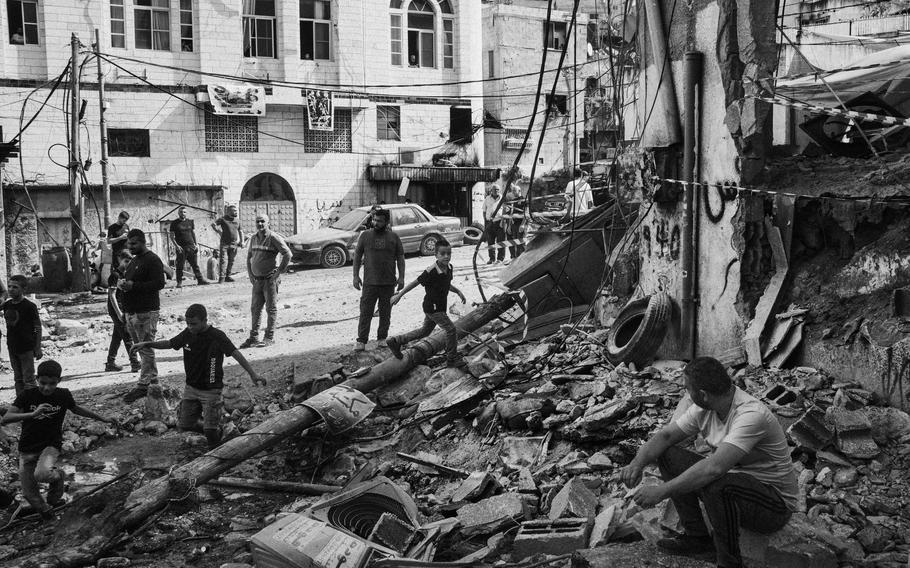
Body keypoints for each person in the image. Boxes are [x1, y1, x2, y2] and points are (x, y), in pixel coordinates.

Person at [619, 357, 797, 568]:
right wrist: (636, 463)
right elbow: (666, 437)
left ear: (702, 394)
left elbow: (714, 468)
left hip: (774, 504)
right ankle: (698, 539)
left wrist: (661, 491)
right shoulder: (706, 407)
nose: (686, 394)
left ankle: (729, 563)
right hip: (737, 484)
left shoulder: (750, 415)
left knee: (718, 484)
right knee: (668, 455)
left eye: (687, 389)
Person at [131, 304, 266, 449]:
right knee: (185, 424)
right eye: (187, 323)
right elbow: (170, 343)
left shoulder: (217, 336)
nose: (190, 327)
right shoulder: (187, 333)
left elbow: (235, 353)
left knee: (210, 431)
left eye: (194, 324)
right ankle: (217, 432)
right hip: (191, 388)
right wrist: (147, 344)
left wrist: (253, 374)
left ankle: (216, 452)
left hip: (211, 390)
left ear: (204, 320)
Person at [1, 360, 115, 519]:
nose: (47, 387)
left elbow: (76, 409)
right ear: (36, 378)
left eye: (52, 383)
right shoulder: (27, 395)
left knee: (41, 474)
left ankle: (58, 476)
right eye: (43, 383)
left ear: (59, 381)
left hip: (50, 445)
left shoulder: (63, 395)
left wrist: (101, 417)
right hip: (27, 448)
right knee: (29, 493)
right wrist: (32, 414)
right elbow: (6, 418)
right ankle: (49, 516)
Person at [386, 239, 466, 367]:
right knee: (451, 330)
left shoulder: (449, 268)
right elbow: (415, 282)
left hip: (438, 306)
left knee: (425, 331)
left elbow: (446, 284)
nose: (446, 256)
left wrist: (457, 291)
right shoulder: (431, 271)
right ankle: (451, 359)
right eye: (442, 253)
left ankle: (397, 341)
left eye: (448, 253)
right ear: (436, 255)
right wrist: (400, 294)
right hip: (433, 307)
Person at [120, 229, 166, 403]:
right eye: (128, 244)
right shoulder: (134, 261)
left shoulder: (152, 260)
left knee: (145, 348)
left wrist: (134, 286)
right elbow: (131, 283)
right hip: (132, 312)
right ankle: (152, 382)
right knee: (142, 349)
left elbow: (159, 283)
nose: (130, 247)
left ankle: (144, 385)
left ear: (142, 242)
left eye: (133, 244)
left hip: (146, 312)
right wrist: (124, 285)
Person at [352, 208, 404, 352]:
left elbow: (400, 257)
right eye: (374, 220)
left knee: (385, 312)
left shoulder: (394, 237)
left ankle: (382, 338)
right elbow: (357, 256)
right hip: (369, 282)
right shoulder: (365, 236)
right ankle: (361, 340)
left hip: (388, 282)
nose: (376, 223)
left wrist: (402, 277)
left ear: (386, 222)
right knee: (365, 312)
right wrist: (355, 276)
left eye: (380, 221)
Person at [240, 214, 291, 348]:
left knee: (271, 308)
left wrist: (279, 271)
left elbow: (288, 254)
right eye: (258, 222)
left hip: (270, 280)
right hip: (257, 281)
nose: (260, 224)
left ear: (268, 223)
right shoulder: (253, 238)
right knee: (255, 309)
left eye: (263, 221)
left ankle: (269, 337)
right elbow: (249, 257)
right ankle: (254, 337)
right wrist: (250, 274)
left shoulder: (273, 237)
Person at [3, 275, 42, 397]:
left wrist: (38, 347)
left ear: (23, 289)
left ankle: (32, 403)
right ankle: (20, 404)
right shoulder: (7, 305)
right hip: (12, 346)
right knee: (18, 378)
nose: (11, 289)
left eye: (15, 287)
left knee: (29, 379)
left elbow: (38, 327)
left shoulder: (29, 306)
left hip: (26, 347)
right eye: (9, 286)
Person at [106, 251, 140, 373]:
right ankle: (135, 363)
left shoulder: (127, 274)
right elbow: (112, 295)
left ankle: (110, 362)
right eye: (126, 261)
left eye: (130, 262)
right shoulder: (115, 275)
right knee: (127, 335)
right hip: (116, 308)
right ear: (120, 259)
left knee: (117, 335)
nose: (127, 264)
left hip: (123, 307)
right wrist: (119, 313)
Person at [170, 206, 209, 288]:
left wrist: (196, 244)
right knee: (180, 266)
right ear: (178, 213)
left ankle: (200, 280)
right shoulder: (174, 223)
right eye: (181, 212)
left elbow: (193, 234)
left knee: (195, 265)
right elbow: (172, 236)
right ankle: (179, 282)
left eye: (184, 212)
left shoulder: (190, 222)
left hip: (191, 246)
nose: (182, 213)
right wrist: (177, 246)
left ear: (186, 213)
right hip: (181, 248)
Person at [211, 204, 244, 283]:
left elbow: (241, 231)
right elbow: (213, 224)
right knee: (223, 260)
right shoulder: (223, 219)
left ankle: (228, 276)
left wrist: (242, 241)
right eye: (234, 210)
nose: (236, 212)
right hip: (224, 244)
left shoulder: (238, 220)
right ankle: (221, 278)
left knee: (231, 261)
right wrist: (219, 232)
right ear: (229, 211)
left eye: (236, 210)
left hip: (234, 244)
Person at [104, 211, 130, 283]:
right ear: (119, 217)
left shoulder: (126, 226)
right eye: (123, 220)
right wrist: (120, 238)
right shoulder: (112, 228)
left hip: (127, 253)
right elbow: (109, 241)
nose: (124, 222)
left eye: (126, 220)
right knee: (119, 273)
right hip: (117, 254)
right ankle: (117, 289)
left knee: (128, 271)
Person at [502, 185, 526, 261]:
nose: (513, 192)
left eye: (514, 191)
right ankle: (516, 259)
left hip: (521, 224)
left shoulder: (524, 200)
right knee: (515, 243)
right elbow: (511, 214)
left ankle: (522, 260)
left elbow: (527, 213)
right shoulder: (514, 201)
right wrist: (509, 226)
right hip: (514, 224)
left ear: (519, 191)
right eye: (512, 191)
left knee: (521, 244)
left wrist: (522, 225)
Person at [483, 185, 506, 264]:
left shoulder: (503, 199)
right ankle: (492, 259)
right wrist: (486, 222)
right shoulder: (487, 198)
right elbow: (484, 210)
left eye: (497, 189)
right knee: (490, 241)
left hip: (499, 222)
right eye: (494, 189)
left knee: (501, 241)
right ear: (491, 190)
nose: (496, 191)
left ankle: (500, 259)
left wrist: (503, 222)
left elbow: (505, 211)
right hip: (490, 223)